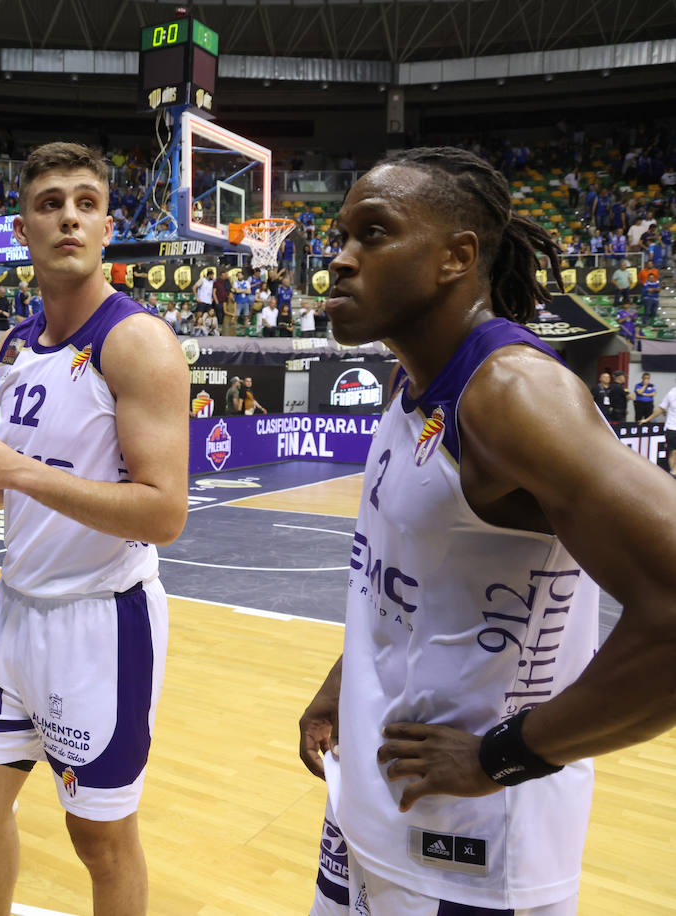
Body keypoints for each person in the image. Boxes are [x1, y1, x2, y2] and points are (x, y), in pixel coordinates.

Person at [297, 146, 676, 916]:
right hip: (377, 809)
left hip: (471, 851)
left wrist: (503, 758)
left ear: (456, 258)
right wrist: (347, 680)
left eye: (372, 234)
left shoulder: (512, 395)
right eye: (341, 237)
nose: (338, 261)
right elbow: (407, 569)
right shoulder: (413, 380)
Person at [0, 142, 189, 916]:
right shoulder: (13, 347)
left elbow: (165, 511)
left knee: (99, 839)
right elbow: (9, 495)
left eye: (86, 202)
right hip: (16, 611)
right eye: (49, 203)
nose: (69, 215)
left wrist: (18, 471)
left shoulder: (136, 342)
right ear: (22, 230)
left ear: (105, 226)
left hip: (99, 620)